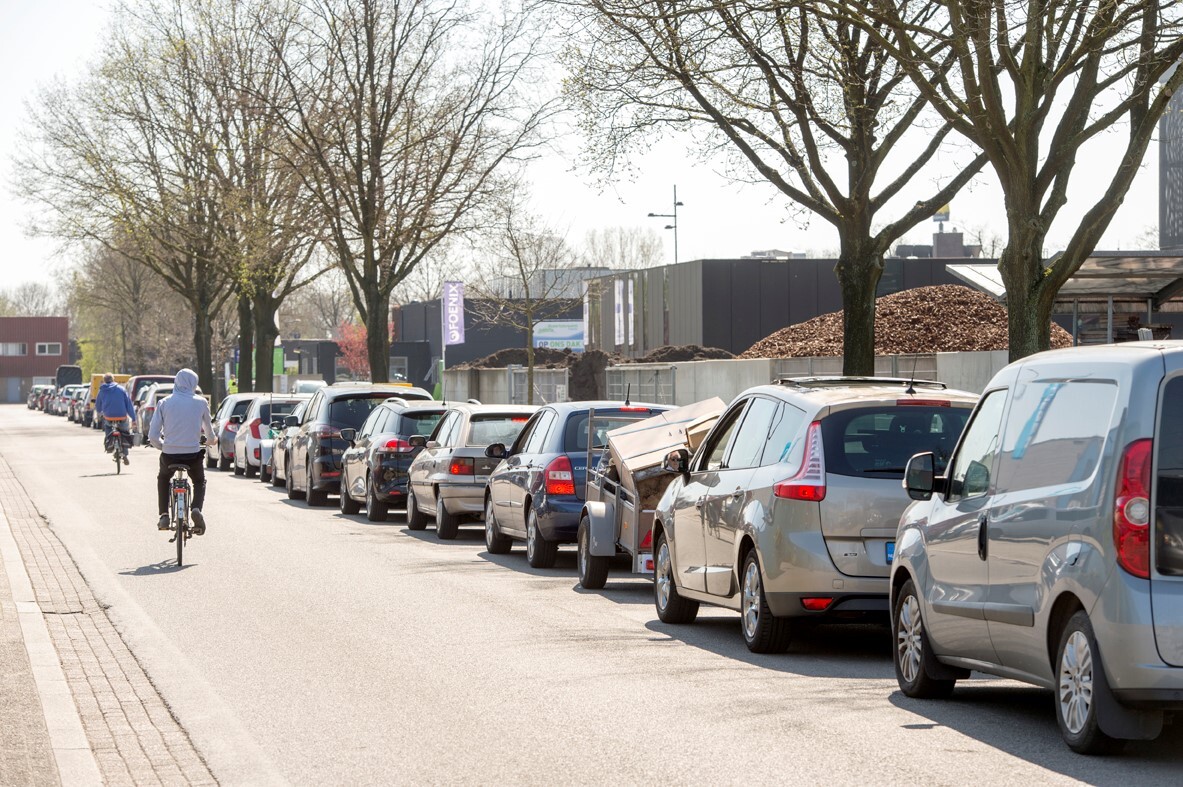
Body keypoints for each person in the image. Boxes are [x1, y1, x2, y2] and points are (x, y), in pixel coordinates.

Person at [149, 368, 215, 535]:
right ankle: (196, 508)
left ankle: (164, 514)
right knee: (199, 481)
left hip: (169, 455)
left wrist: (162, 446)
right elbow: (209, 433)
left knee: (163, 478)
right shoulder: (201, 403)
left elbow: (153, 435)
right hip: (192, 455)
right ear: (194, 383)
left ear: (176, 382)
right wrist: (210, 441)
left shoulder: (164, 403)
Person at [95, 373, 135, 465]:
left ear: (104, 380)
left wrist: (100, 412)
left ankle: (109, 445)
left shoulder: (102, 390)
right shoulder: (121, 389)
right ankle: (125, 454)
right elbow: (128, 405)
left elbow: (98, 406)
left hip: (108, 416)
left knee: (108, 428)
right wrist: (133, 418)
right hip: (122, 416)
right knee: (124, 432)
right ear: (113, 379)